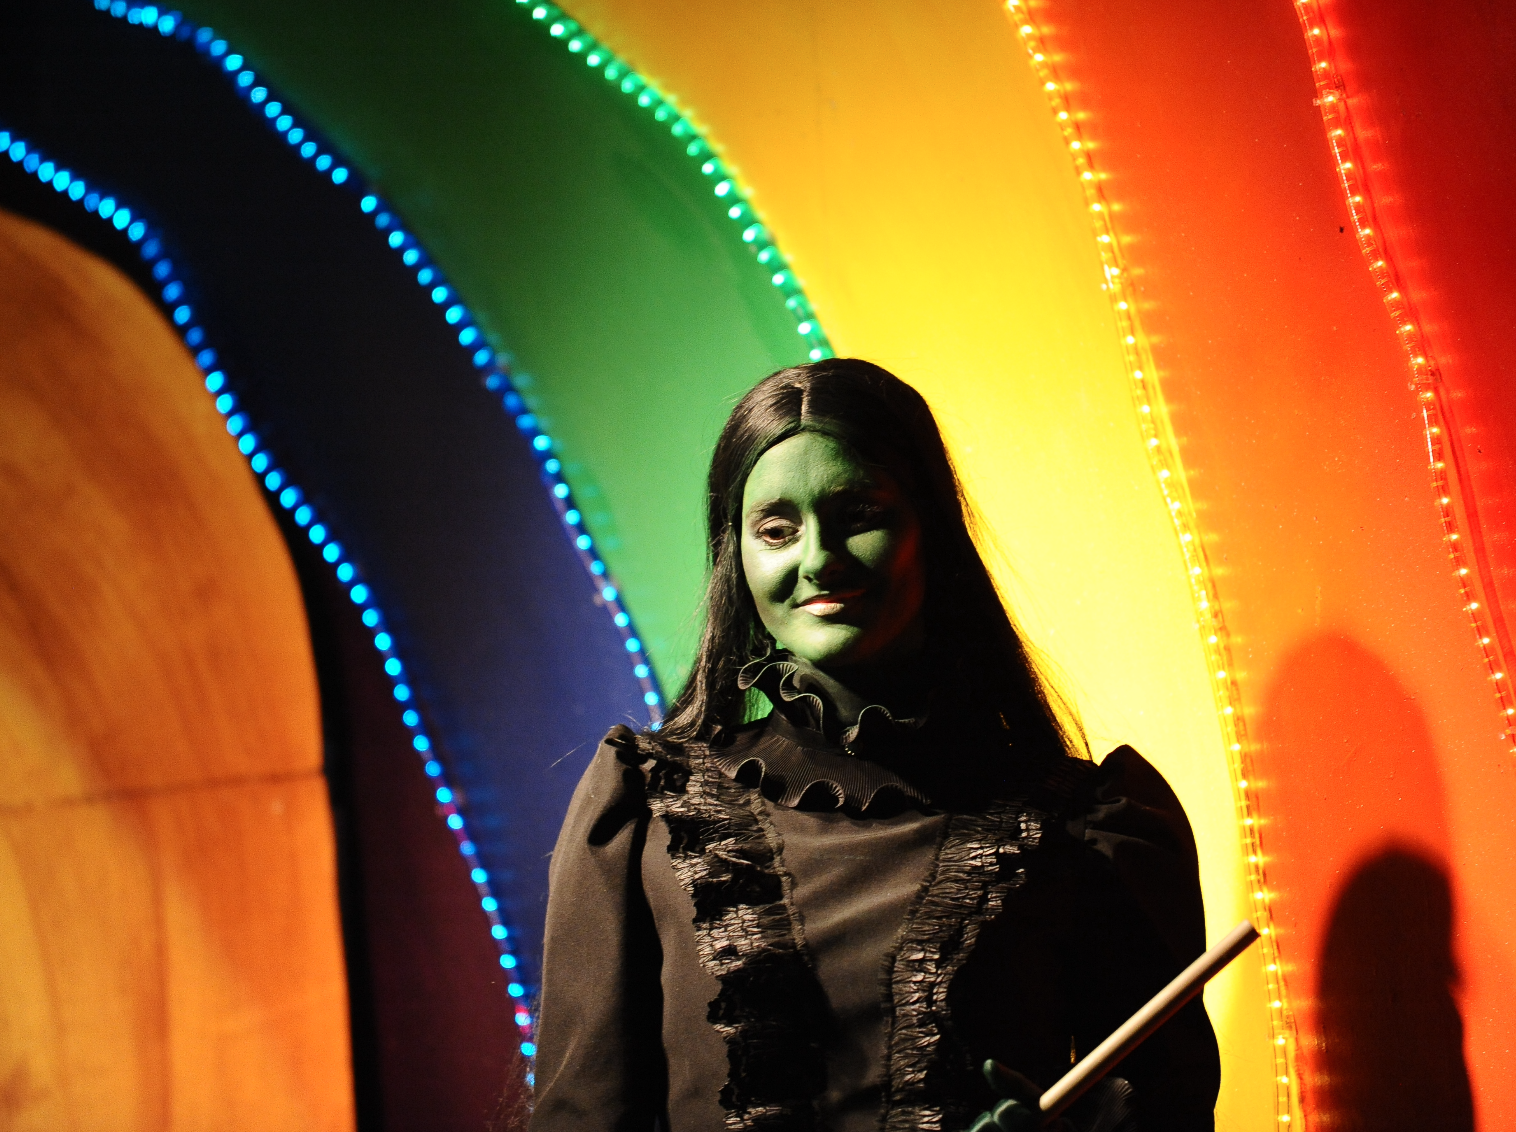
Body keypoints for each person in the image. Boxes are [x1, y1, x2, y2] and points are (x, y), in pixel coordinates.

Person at [530, 359, 1220, 1132]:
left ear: (933, 533)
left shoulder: (1087, 827)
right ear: (737, 557)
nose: (818, 559)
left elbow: (1168, 1115)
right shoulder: (649, 809)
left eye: (858, 513)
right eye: (776, 530)